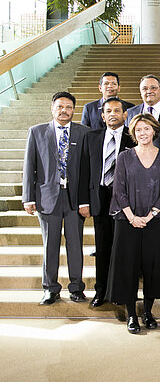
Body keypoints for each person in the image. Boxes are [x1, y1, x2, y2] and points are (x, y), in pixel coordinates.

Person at [23, 92, 90, 305]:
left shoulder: (84, 132)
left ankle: (77, 288)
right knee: (50, 245)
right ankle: (50, 288)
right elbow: (29, 166)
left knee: (75, 244)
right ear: (52, 109)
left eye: (69, 107)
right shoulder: (37, 132)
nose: (64, 111)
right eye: (60, 107)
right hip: (47, 198)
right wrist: (28, 197)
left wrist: (85, 200)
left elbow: (87, 169)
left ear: (74, 110)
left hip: (74, 199)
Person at [107, 113, 160, 334]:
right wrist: (132, 217)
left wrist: (151, 215)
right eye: (138, 130)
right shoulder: (125, 157)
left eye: (146, 129)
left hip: (155, 220)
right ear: (133, 134)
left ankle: (147, 312)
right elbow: (118, 190)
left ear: (154, 130)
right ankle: (132, 316)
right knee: (128, 267)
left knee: (153, 268)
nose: (142, 133)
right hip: (127, 221)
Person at [81, 97, 136, 308]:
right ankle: (101, 291)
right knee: (102, 248)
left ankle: (123, 291)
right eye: (108, 111)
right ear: (102, 116)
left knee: (123, 247)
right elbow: (85, 170)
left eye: (117, 110)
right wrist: (84, 201)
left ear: (125, 115)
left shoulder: (133, 138)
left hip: (126, 200)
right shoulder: (91, 137)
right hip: (101, 198)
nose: (112, 114)